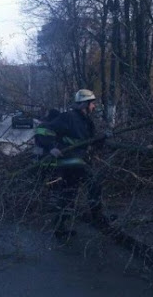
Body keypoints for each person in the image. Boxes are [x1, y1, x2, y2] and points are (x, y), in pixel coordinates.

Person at [38, 89, 106, 239]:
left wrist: (104, 138)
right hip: (71, 162)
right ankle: (97, 218)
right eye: (92, 103)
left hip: (77, 162)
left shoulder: (86, 121)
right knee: (94, 183)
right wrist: (51, 147)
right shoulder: (68, 117)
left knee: (68, 195)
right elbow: (43, 129)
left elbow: (89, 142)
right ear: (84, 104)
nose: (94, 107)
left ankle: (60, 228)